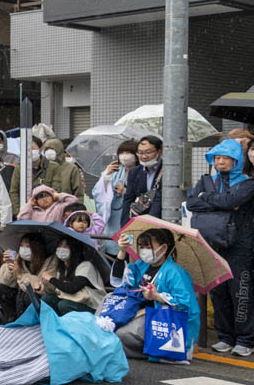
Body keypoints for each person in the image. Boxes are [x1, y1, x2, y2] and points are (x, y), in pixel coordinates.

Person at [186, 138, 254, 356]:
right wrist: (222, 200)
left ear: (237, 160)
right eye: (217, 157)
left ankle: (245, 339)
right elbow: (191, 202)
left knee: (240, 292)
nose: (221, 162)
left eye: (226, 158)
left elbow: (228, 201)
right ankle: (225, 337)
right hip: (212, 242)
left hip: (240, 245)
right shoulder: (206, 180)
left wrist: (209, 198)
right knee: (218, 291)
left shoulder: (247, 183)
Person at [106, 228, 200, 362]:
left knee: (122, 333)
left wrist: (158, 296)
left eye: (148, 247)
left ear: (164, 248)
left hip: (161, 318)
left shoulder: (176, 272)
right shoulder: (141, 265)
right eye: (141, 247)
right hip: (138, 311)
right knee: (108, 308)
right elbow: (120, 280)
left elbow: (186, 303)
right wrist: (122, 252)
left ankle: (152, 350)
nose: (144, 250)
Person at [0, 233, 56, 323]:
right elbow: (7, 283)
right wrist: (11, 268)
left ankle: (28, 321)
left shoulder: (49, 261)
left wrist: (20, 276)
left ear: (36, 248)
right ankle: (11, 319)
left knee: (27, 294)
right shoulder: (19, 258)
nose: (23, 249)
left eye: (28, 246)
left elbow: (39, 286)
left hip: (40, 295)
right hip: (21, 294)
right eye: (22, 245)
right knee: (1, 289)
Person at [94, 139, 138, 256]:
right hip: (113, 216)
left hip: (130, 214)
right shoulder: (115, 171)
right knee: (112, 247)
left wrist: (125, 192)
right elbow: (98, 193)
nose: (124, 156)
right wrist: (106, 177)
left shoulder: (140, 173)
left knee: (129, 247)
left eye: (128, 153)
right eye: (122, 153)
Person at [41, 237, 105, 316]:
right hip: (74, 299)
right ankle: (56, 322)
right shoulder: (62, 267)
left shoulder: (86, 266)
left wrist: (51, 278)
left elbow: (72, 288)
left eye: (65, 247)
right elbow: (57, 288)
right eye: (59, 246)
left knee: (64, 305)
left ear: (74, 249)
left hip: (92, 306)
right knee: (47, 298)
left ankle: (73, 325)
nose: (61, 249)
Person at [122, 135, 163, 221]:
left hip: (160, 220)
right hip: (139, 218)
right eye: (140, 153)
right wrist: (125, 225)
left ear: (160, 152)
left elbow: (159, 200)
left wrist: (149, 224)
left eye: (148, 152)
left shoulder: (166, 171)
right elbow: (128, 199)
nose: (144, 157)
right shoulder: (135, 172)